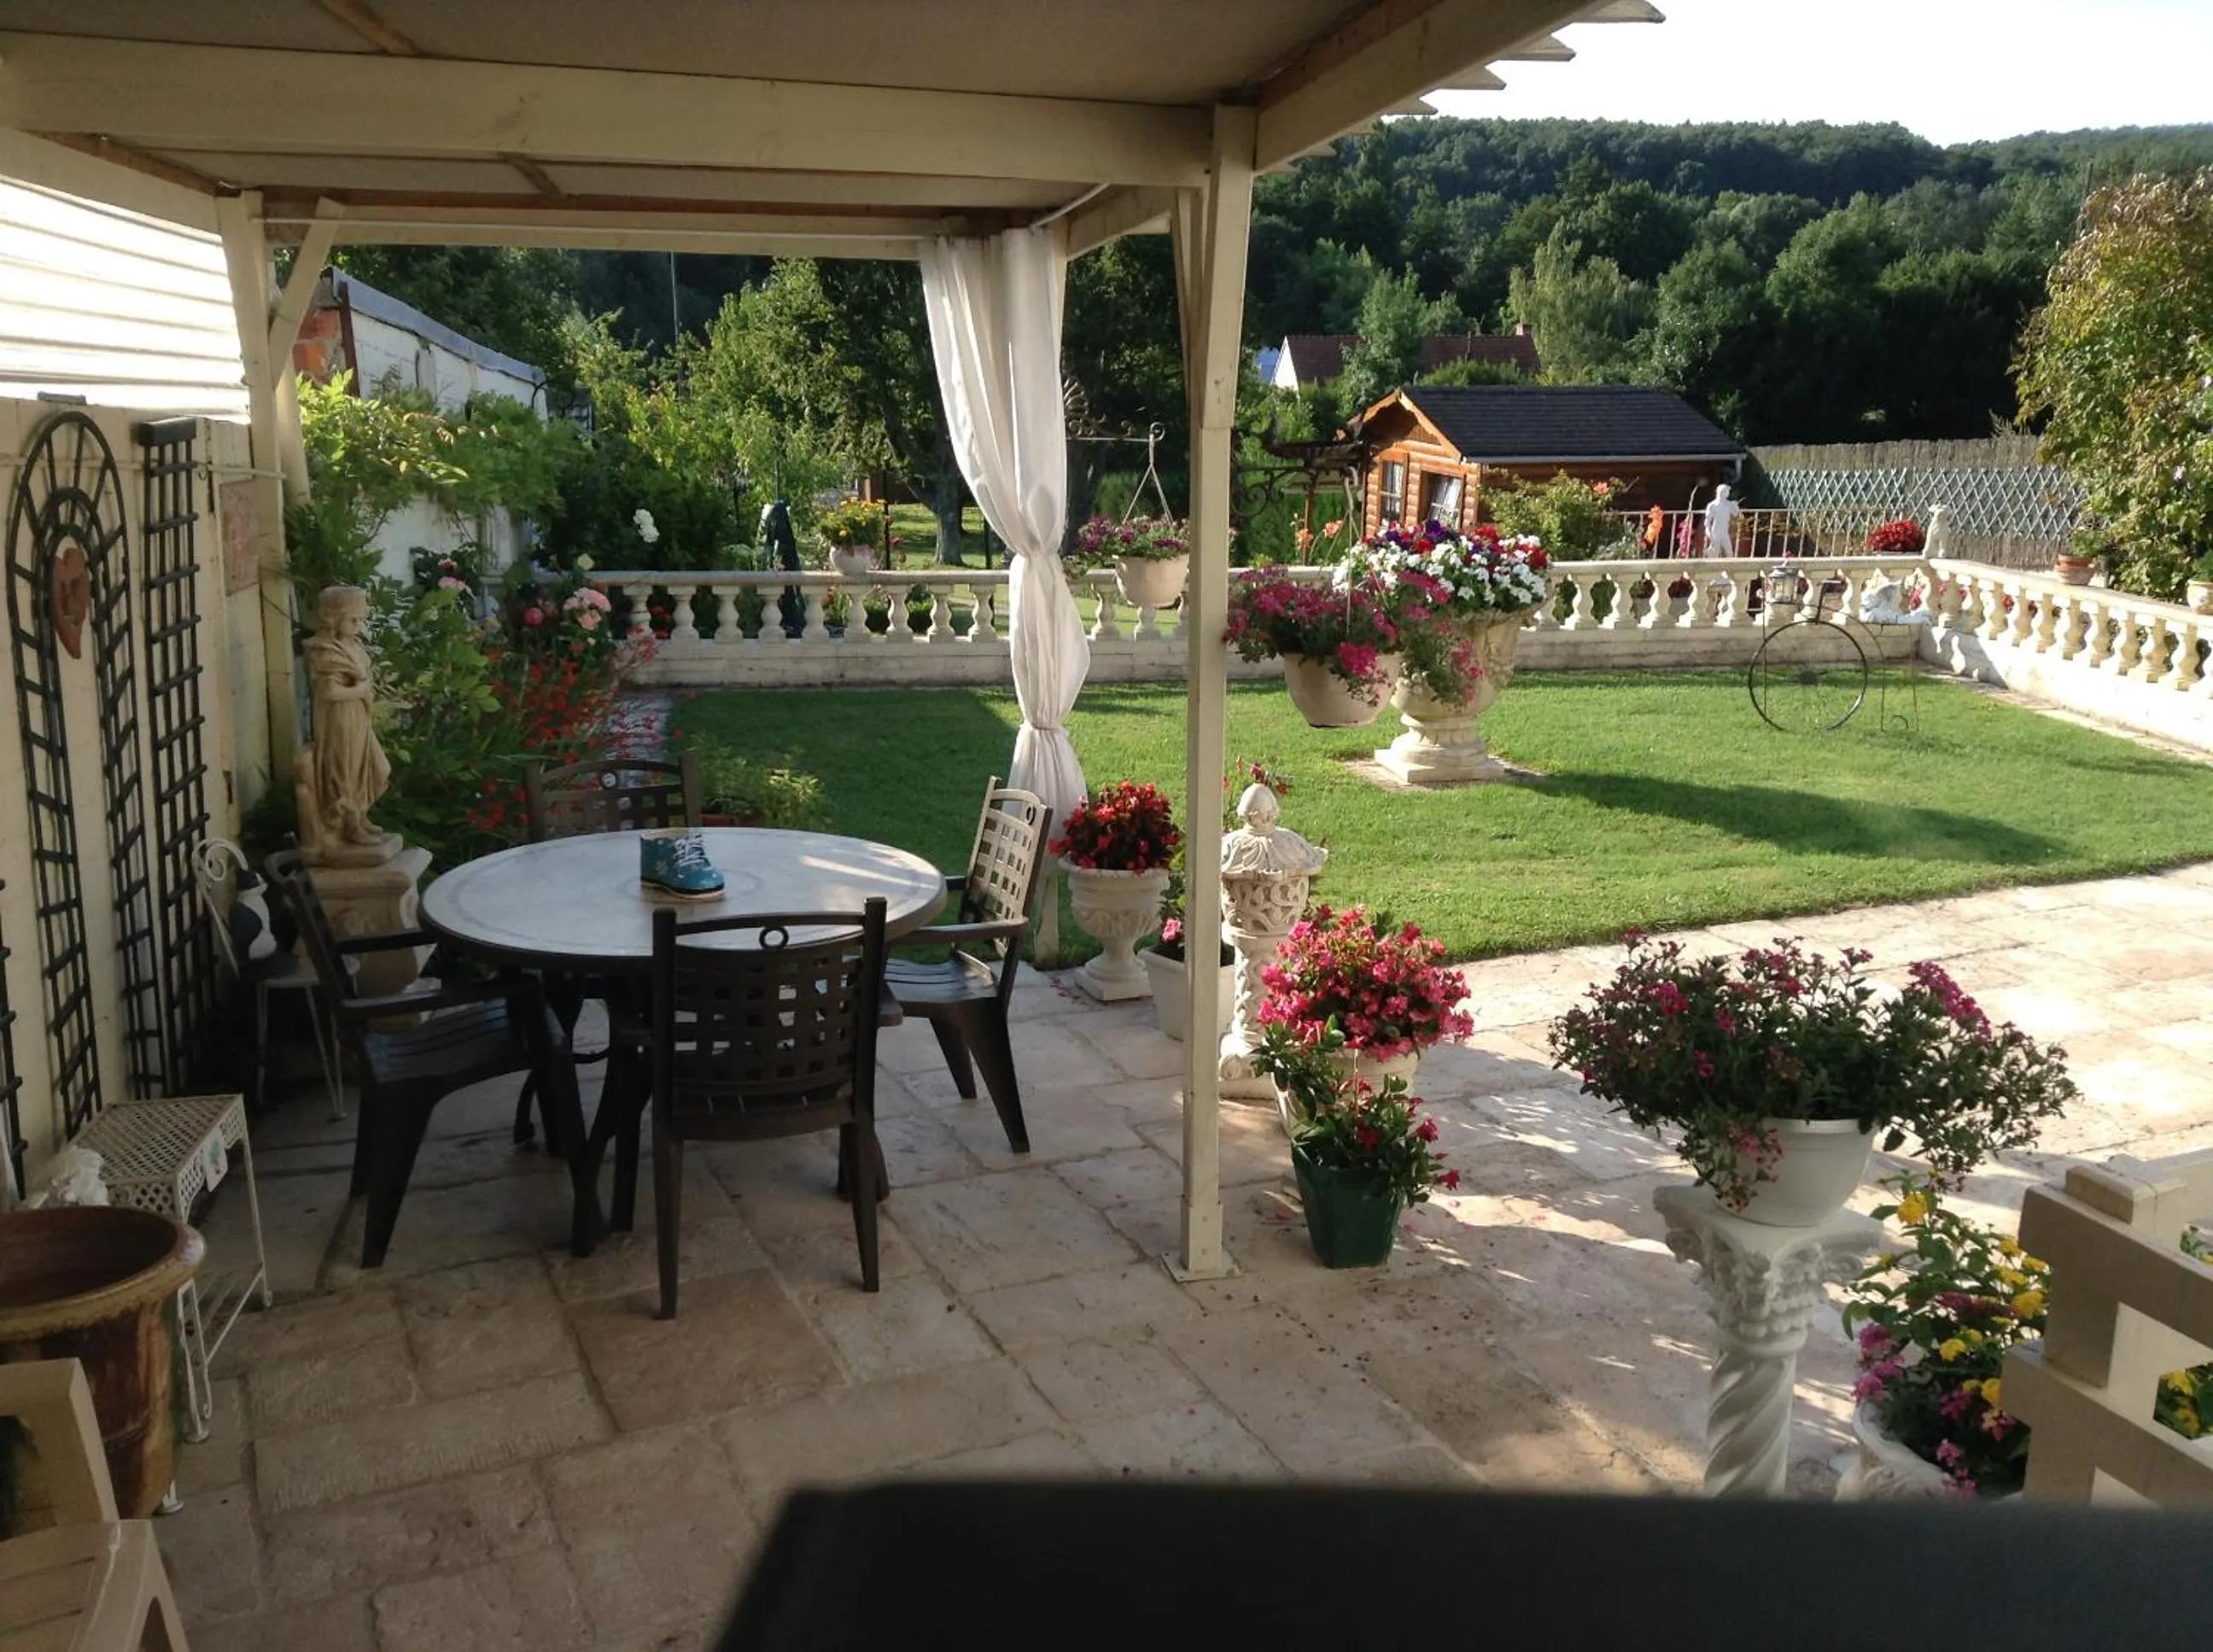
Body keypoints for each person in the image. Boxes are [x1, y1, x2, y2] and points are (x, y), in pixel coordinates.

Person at [304, 585, 392, 846]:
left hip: (358, 717)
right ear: (334, 619)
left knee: (374, 766)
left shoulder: (351, 645)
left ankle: (361, 816)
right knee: (346, 771)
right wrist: (361, 689)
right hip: (340, 720)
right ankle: (350, 824)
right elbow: (330, 691)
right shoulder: (326, 652)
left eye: (361, 620)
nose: (358, 626)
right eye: (353, 620)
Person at [1702, 483, 1743, 559]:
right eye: (1726, 491)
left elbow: (1735, 514)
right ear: (1721, 492)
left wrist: (1736, 506)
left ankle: (1727, 569)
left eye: (1728, 492)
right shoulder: (1712, 505)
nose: (1728, 493)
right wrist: (1709, 534)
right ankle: (1711, 566)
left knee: (1729, 552)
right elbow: (1707, 522)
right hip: (1716, 532)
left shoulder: (1728, 504)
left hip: (1725, 532)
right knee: (1714, 553)